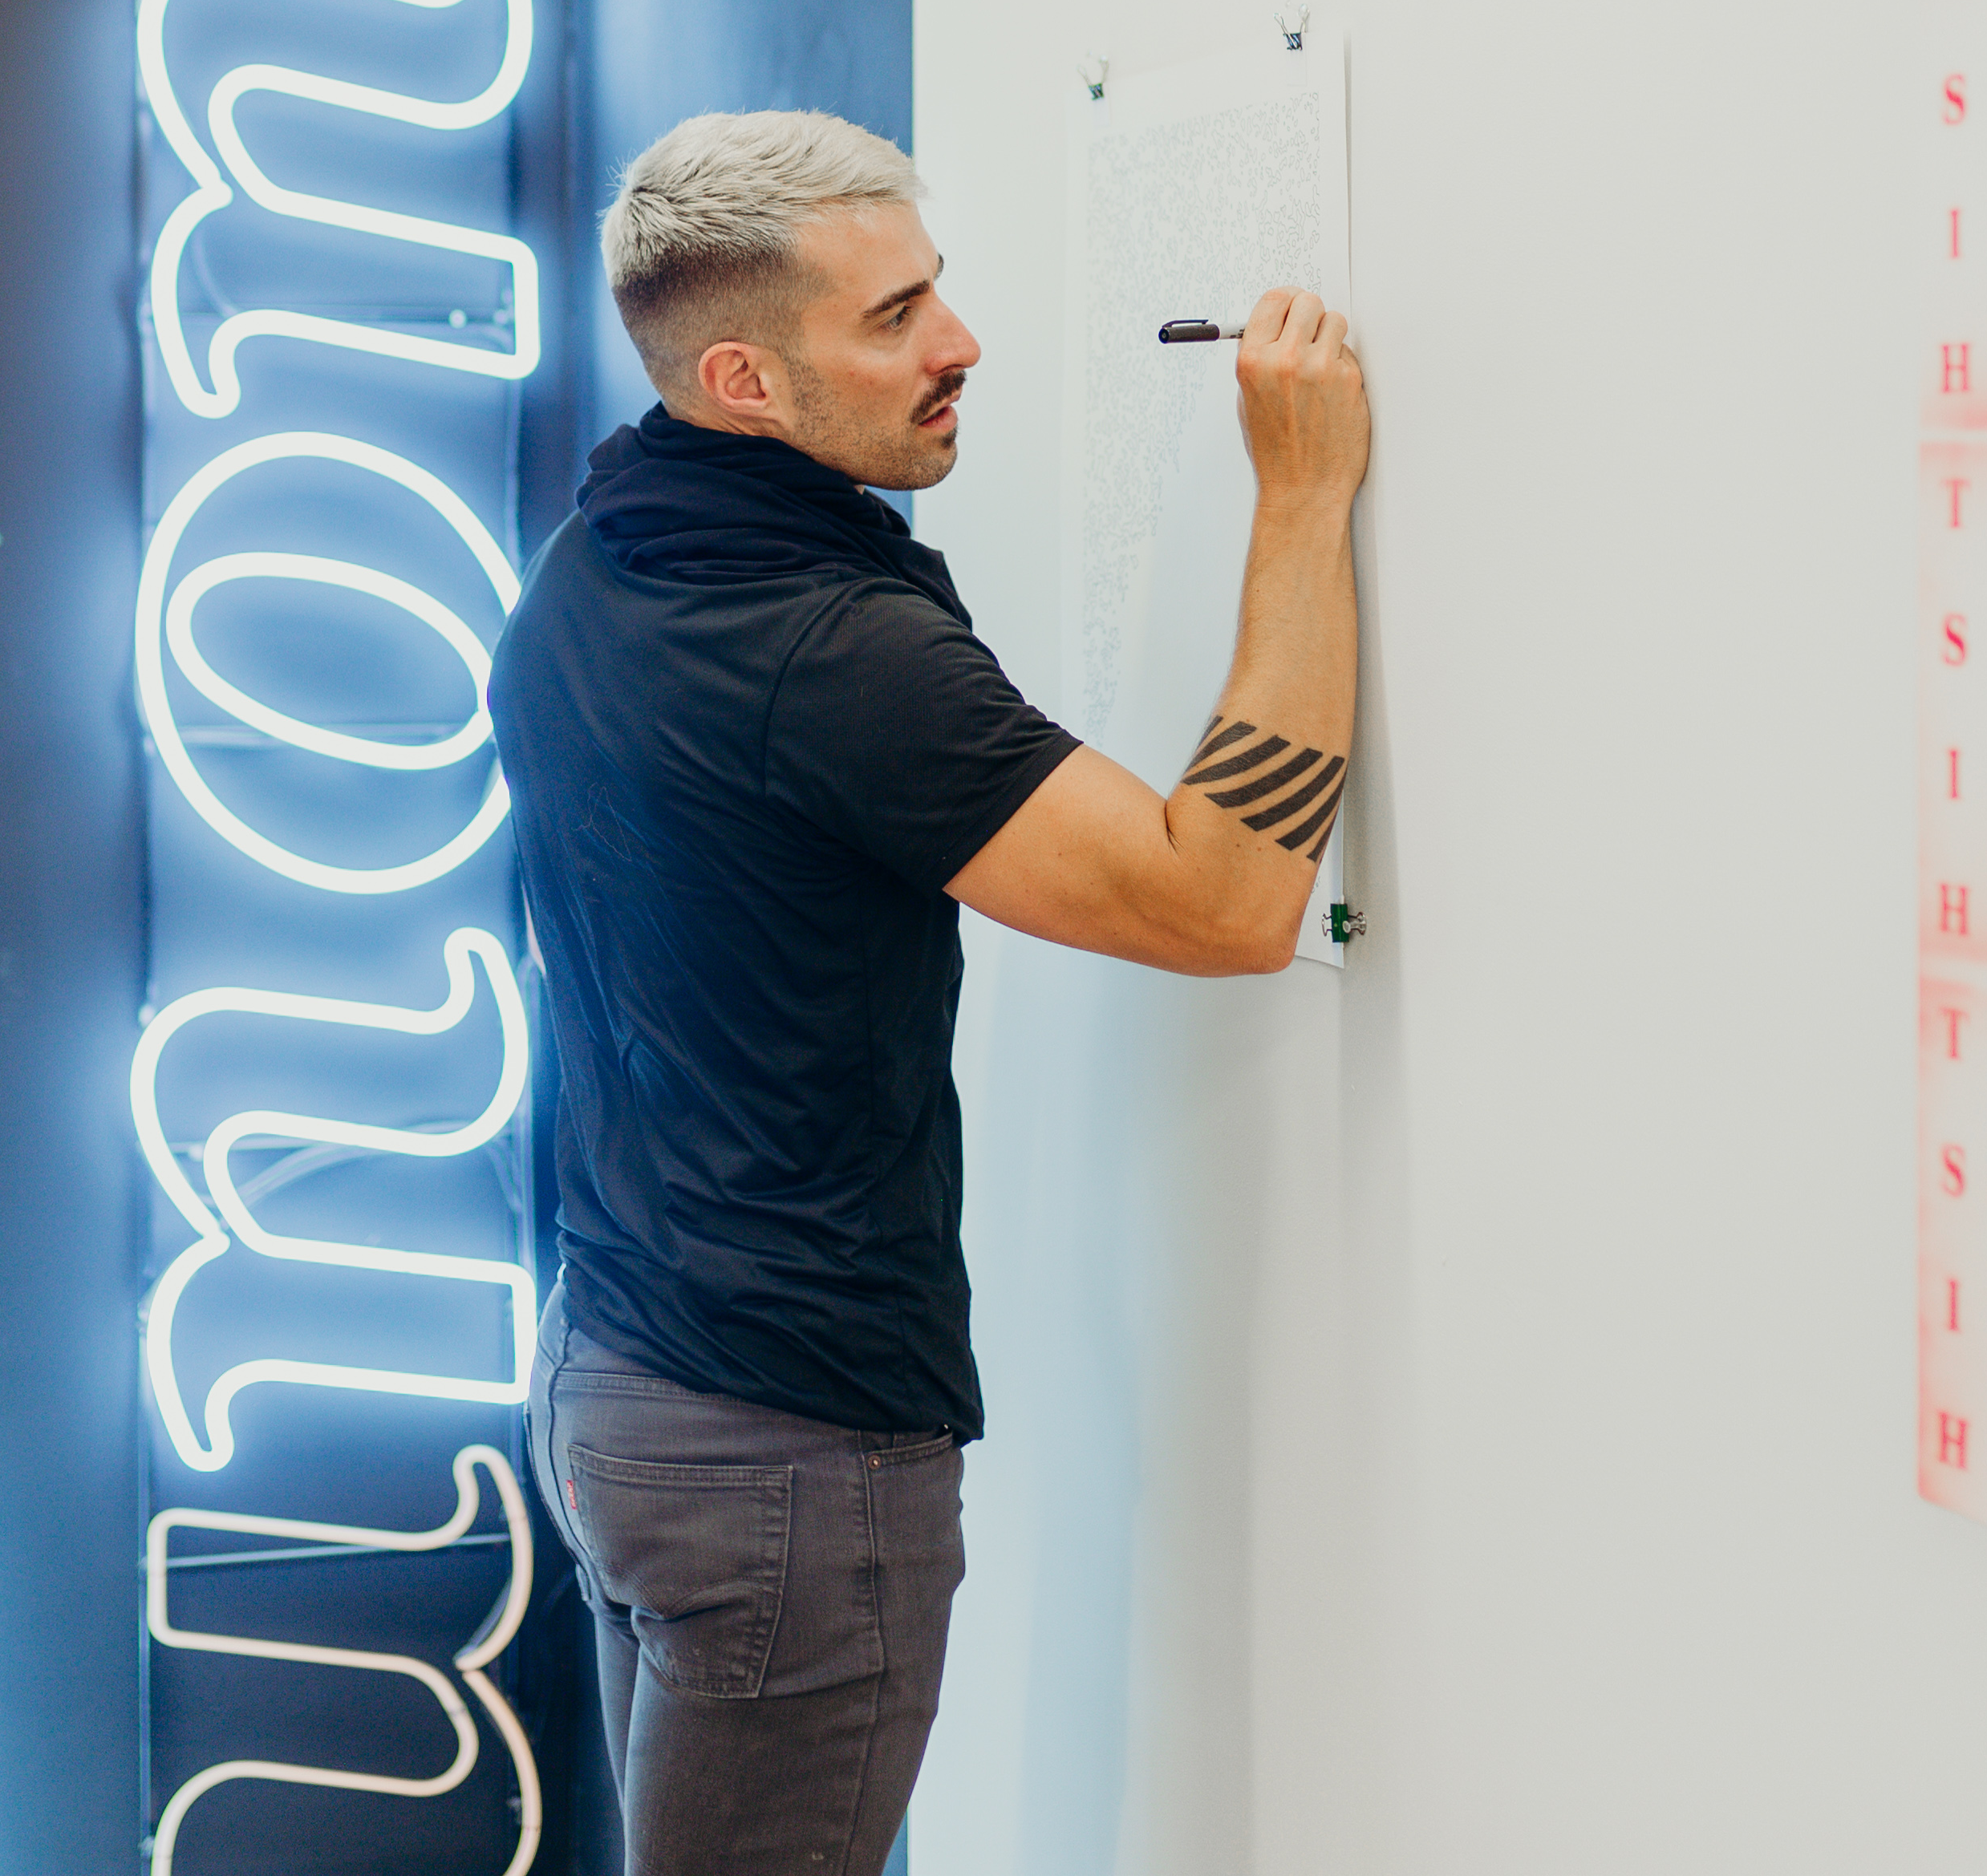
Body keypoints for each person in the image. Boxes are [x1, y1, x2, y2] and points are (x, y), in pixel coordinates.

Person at [487, 107, 1370, 1874]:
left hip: (628, 1381)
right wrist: (1303, 493)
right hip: (784, 1449)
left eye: (937, 287)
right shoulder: (828, 654)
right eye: (893, 314)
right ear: (743, 374)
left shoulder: (603, 553)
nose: (960, 339)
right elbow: (1228, 893)